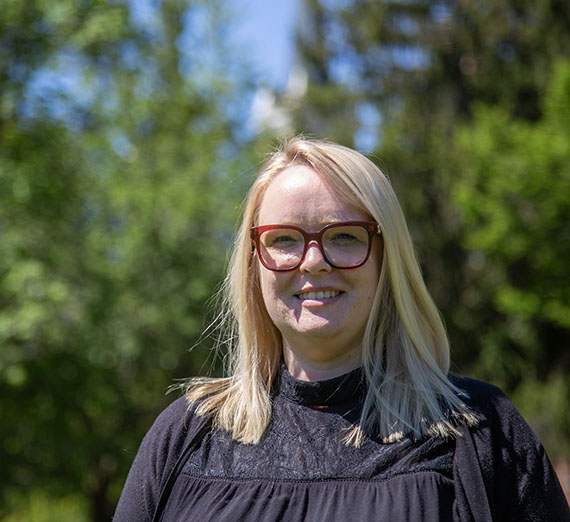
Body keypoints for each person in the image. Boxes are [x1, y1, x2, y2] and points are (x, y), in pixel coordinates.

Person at [114, 137, 570, 521]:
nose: (313, 261)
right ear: (254, 263)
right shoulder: (185, 435)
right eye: (284, 239)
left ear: (387, 259)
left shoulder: (481, 430)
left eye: (344, 237)